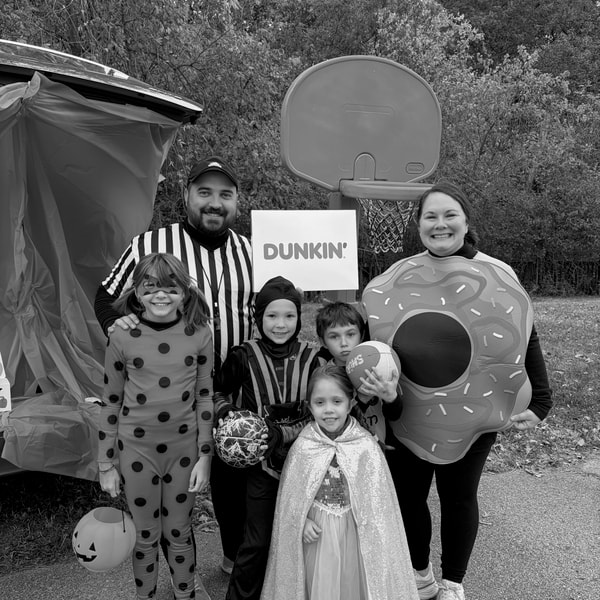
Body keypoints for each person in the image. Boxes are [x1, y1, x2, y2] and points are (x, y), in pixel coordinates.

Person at [361, 182, 553, 600]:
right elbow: (378, 337)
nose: (440, 224)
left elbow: (523, 333)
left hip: (474, 406)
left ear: (466, 222)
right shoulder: (399, 277)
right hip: (407, 406)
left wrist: (541, 399)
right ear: (418, 225)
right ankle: (420, 575)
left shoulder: (497, 273)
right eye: (430, 216)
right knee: (409, 496)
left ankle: (452, 582)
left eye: (450, 215)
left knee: (459, 497)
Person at [94, 156, 253, 575]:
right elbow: (106, 294)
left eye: (225, 194)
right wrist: (115, 324)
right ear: (186, 195)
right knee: (170, 498)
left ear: (236, 201)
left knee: (232, 479)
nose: (215, 203)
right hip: (172, 395)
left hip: (234, 389)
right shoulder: (150, 244)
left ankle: (234, 561)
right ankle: (185, 578)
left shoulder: (251, 250)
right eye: (205, 192)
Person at [97, 253, 214, 600]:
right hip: (135, 451)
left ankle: (185, 594)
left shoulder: (200, 333)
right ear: (137, 292)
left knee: (179, 531)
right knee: (145, 535)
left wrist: (205, 457)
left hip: (184, 451)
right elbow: (110, 401)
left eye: (170, 287)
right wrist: (105, 464)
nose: (160, 295)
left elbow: (205, 398)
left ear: (184, 291)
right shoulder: (122, 335)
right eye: (150, 287)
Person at [260, 365, 419, 600]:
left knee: (352, 584)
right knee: (320, 586)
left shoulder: (365, 445)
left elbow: (380, 505)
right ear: (309, 406)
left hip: (356, 531)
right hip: (317, 534)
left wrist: (366, 524)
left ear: (350, 403)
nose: (329, 410)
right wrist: (301, 522)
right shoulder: (304, 446)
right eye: (320, 402)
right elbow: (291, 499)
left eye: (337, 401)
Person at [213, 276, 322, 600]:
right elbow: (216, 392)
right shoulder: (243, 355)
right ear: (258, 317)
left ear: (299, 317)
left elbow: (325, 407)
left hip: (306, 466)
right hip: (261, 468)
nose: (280, 324)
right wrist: (228, 414)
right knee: (257, 542)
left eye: (289, 315)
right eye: (272, 315)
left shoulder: (313, 358)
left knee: (308, 537)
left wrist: (285, 432)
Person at [316, 301, 402, 442]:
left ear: (361, 335)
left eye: (350, 334)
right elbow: (334, 425)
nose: (344, 343)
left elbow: (394, 416)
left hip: (377, 448)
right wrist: (361, 399)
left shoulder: (378, 366)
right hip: (344, 449)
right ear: (323, 342)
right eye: (334, 336)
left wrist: (391, 398)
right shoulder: (325, 377)